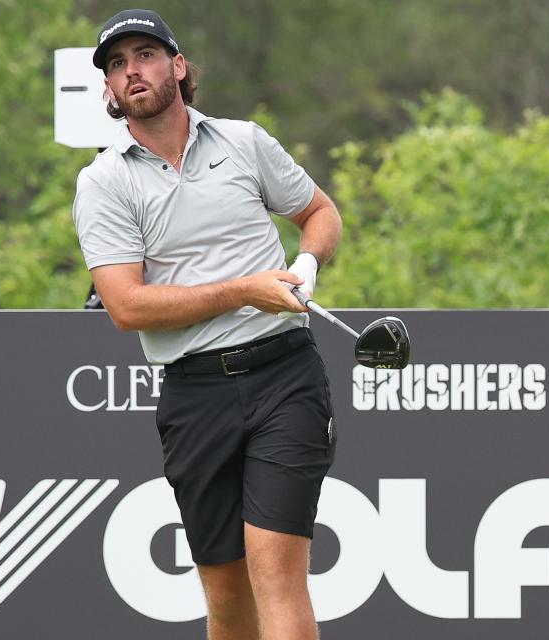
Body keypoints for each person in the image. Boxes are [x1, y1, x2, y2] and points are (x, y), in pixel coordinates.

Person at [72, 9, 342, 640]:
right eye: (116, 65)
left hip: (284, 375)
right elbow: (126, 306)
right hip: (194, 394)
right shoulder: (104, 181)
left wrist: (305, 265)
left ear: (178, 65)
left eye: (143, 54)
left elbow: (320, 212)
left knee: (277, 572)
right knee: (225, 595)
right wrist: (244, 290)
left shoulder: (245, 142)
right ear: (110, 91)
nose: (131, 70)